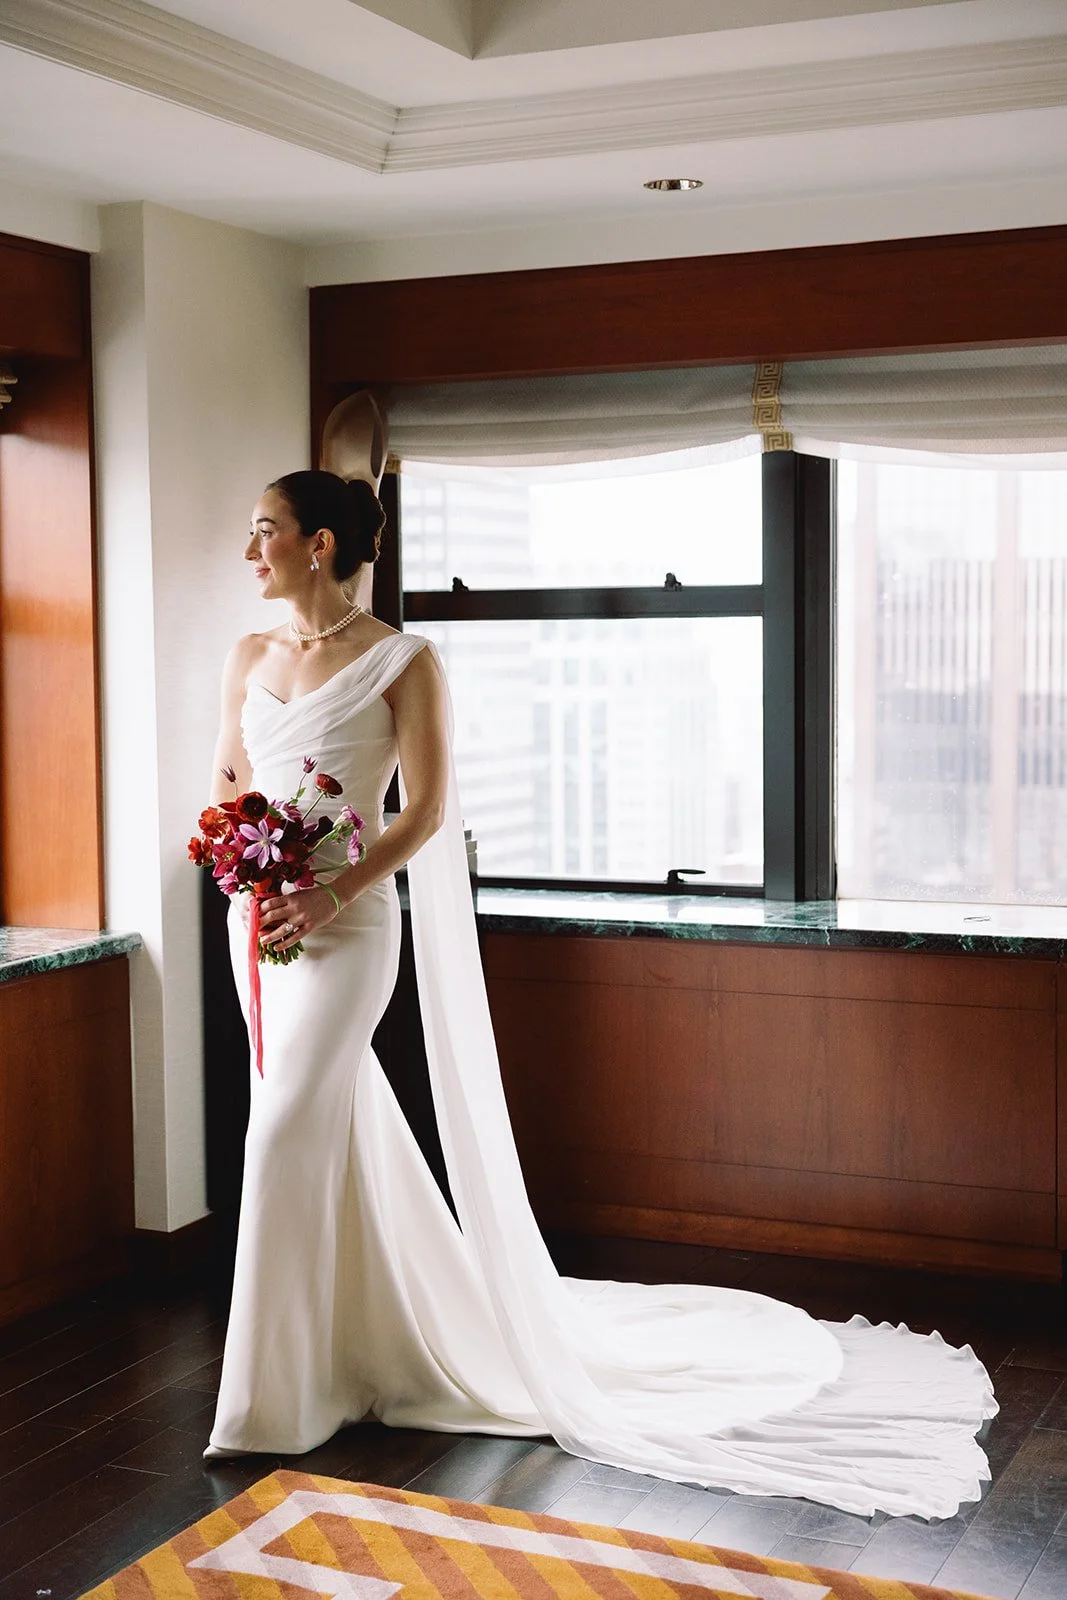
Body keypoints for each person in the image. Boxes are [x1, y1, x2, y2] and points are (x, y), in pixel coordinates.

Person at [204, 468, 997, 1518]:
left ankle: (274, 1402)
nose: (248, 548)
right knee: (321, 1132)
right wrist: (249, 864)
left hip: (349, 928)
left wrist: (332, 882)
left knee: (282, 1136)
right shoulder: (250, 653)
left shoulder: (404, 659)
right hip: (260, 923)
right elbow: (227, 782)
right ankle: (355, 1350)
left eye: (265, 531)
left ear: (318, 544)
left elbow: (427, 811)